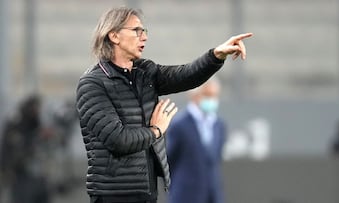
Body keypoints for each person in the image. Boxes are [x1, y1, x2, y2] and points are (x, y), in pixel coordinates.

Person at [76, 7, 252, 203]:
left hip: (147, 194)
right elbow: (118, 140)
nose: (144, 37)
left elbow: (185, 75)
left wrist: (216, 56)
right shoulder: (92, 84)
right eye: (136, 30)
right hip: (112, 196)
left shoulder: (145, 73)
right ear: (114, 35)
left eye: (144, 31)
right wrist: (156, 130)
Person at [166, 77, 226, 203]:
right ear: (194, 95)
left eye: (215, 96)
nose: (212, 100)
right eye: (207, 95)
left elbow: (215, 160)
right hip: (185, 195)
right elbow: (169, 160)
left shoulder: (219, 125)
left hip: (212, 195)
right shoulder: (179, 125)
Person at [0, 95, 51, 203]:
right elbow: (10, 145)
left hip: (33, 167)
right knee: (21, 195)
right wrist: (5, 168)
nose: (38, 110)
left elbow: (38, 135)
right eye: (36, 107)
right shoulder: (16, 120)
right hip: (17, 167)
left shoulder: (34, 119)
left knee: (40, 192)